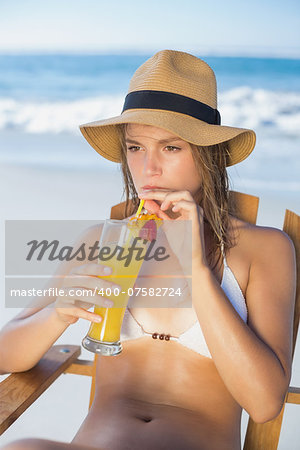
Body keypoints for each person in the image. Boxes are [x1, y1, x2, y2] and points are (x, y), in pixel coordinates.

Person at [0, 50, 296, 450]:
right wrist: (58, 313)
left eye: (170, 148)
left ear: (206, 154)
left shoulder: (263, 249)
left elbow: (263, 404)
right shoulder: (102, 241)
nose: (148, 168)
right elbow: (6, 355)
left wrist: (196, 267)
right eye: (135, 147)